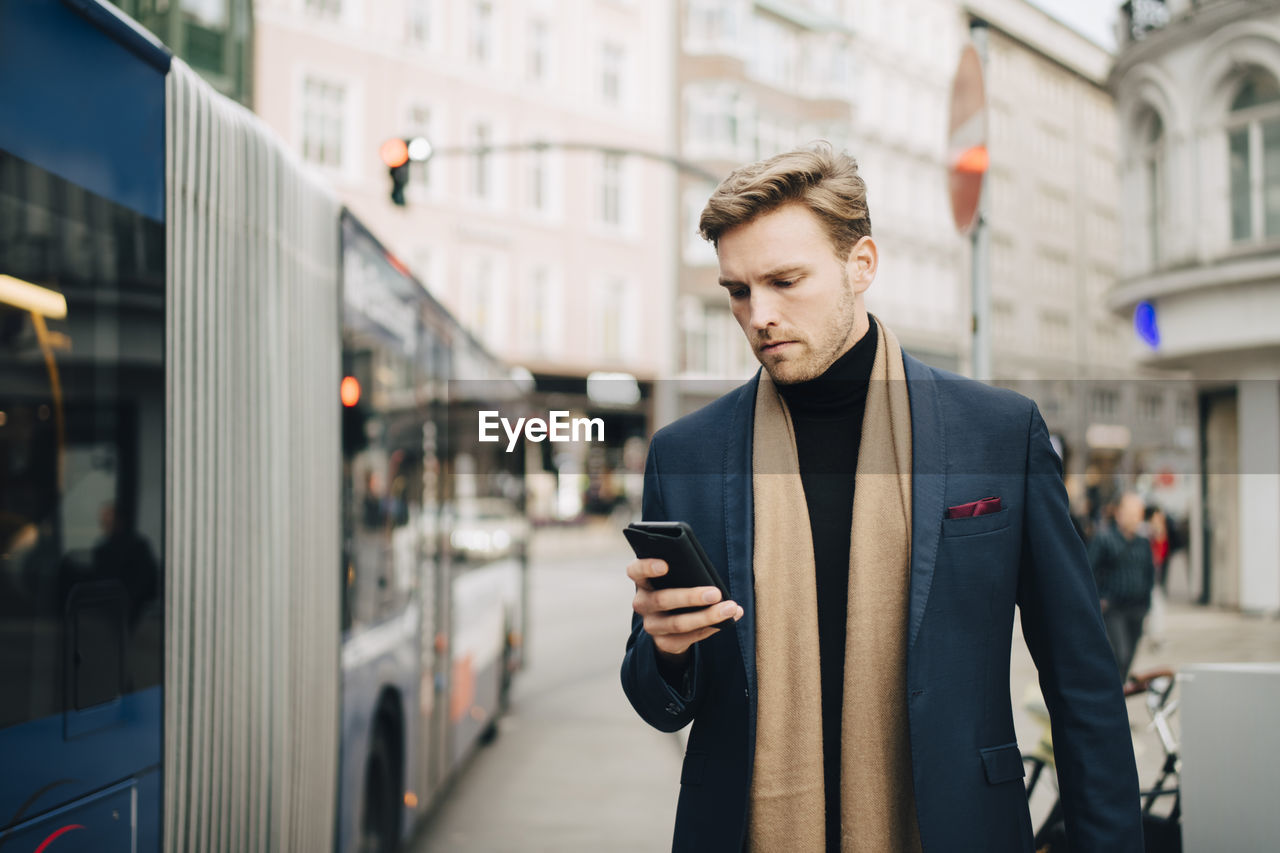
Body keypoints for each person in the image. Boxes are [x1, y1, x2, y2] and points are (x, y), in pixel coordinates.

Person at [620, 145, 1142, 852]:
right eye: (738, 290)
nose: (759, 315)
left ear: (861, 263)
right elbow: (657, 700)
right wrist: (668, 650)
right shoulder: (687, 455)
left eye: (785, 280)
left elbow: (1081, 678)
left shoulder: (996, 433)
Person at [1089, 492, 1157, 679]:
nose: (1135, 518)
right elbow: (1089, 570)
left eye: (1138, 513)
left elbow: (1149, 573)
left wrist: (1147, 605)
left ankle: (1118, 693)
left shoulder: (1143, 542)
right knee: (1119, 654)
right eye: (1130, 512)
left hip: (1137, 608)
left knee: (1128, 659)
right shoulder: (1104, 539)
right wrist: (1098, 600)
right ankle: (1111, 694)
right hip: (1113, 608)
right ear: (1119, 513)